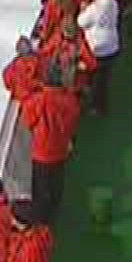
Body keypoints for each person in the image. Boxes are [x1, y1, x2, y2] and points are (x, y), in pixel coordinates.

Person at [20, 62, 81, 226]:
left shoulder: (36, 101)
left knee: (41, 186)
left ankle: (43, 218)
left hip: (41, 150)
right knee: (56, 181)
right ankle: (55, 208)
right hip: (61, 148)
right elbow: (73, 120)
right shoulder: (69, 100)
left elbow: (28, 121)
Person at [77, 0, 120, 115]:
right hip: (112, 44)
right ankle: (102, 104)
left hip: (97, 47)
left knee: (95, 78)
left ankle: (95, 105)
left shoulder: (94, 8)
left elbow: (81, 22)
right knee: (104, 77)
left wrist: (83, 10)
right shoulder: (113, 2)